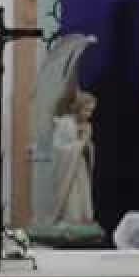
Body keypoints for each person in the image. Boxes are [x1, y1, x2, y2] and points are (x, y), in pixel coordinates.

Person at [51, 91, 97, 225]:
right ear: (78, 108)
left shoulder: (87, 126)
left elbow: (87, 149)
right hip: (68, 170)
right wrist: (81, 143)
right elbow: (58, 148)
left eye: (91, 111)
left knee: (82, 198)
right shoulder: (66, 123)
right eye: (86, 110)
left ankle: (82, 220)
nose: (89, 114)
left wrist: (88, 145)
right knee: (72, 201)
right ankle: (70, 219)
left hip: (79, 167)